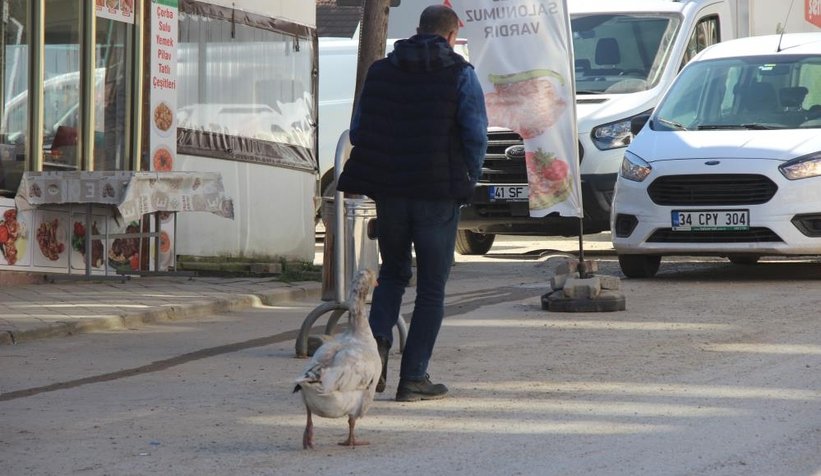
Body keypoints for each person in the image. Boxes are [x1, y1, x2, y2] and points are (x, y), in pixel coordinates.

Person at [336, 5, 488, 402]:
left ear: (418, 30)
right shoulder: (460, 74)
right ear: (452, 37)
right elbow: (475, 137)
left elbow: (358, 128)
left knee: (393, 273)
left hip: (392, 192)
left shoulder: (381, 71)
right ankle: (414, 378)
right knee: (432, 288)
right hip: (438, 194)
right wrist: (467, 179)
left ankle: (380, 344)